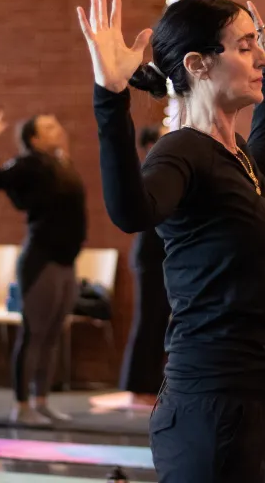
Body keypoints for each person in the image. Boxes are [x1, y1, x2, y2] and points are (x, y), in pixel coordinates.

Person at [78, 0, 265, 483]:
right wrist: (110, 97)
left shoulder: (239, 162)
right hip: (213, 404)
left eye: (256, 44)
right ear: (197, 64)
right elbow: (131, 211)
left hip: (257, 397)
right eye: (243, 46)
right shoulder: (181, 152)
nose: (258, 55)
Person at [0, 109, 86, 425]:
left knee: (52, 335)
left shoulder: (62, 163)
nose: (59, 128)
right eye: (49, 126)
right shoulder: (28, 164)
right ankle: (21, 406)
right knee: (35, 334)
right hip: (42, 261)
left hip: (66, 261)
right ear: (34, 139)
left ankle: (42, 401)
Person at [118, 124, 171, 407]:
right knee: (148, 321)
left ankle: (149, 385)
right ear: (152, 145)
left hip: (160, 257)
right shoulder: (151, 170)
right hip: (150, 258)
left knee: (158, 322)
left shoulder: (163, 170)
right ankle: (138, 386)